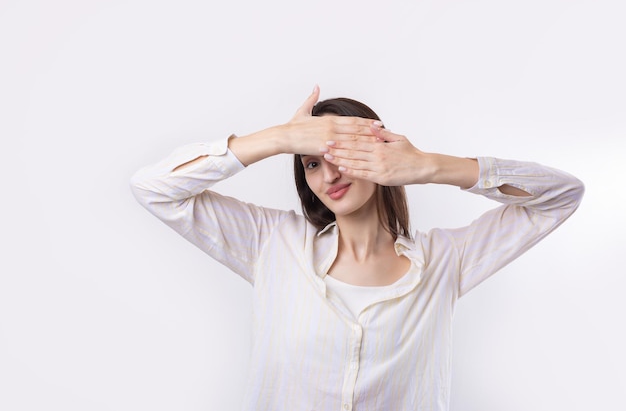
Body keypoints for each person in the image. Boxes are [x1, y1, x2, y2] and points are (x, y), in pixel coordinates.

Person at [130, 86, 584, 411]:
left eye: (342, 156)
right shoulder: (271, 242)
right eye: (311, 163)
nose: (329, 175)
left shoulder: (446, 261)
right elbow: (154, 188)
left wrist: (428, 166)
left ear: (382, 155)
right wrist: (279, 139)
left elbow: (561, 196)